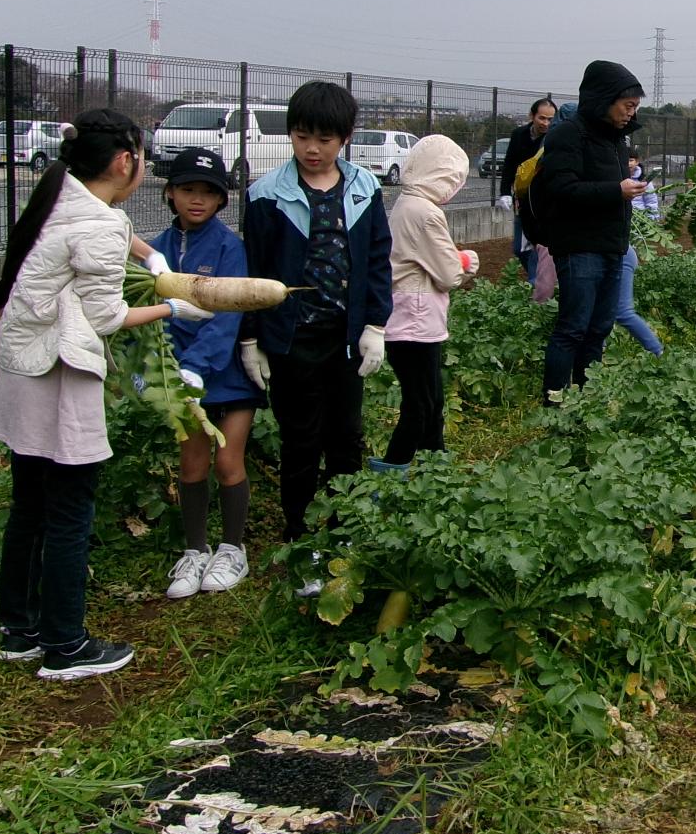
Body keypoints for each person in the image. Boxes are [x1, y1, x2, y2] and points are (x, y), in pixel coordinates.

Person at [0, 109, 214, 681]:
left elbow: (105, 224)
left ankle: (20, 629)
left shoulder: (60, 191)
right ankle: (66, 646)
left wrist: (146, 255)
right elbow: (106, 316)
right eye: (141, 154)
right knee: (69, 511)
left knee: (30, 505)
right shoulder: (100, 224)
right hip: (60, 373)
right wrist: (173, 306)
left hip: (22, 365)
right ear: (123, 161)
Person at [238, 80, 393, 592]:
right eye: (302, 136)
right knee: (300, 440)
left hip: (345, 339)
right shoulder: (265, 197)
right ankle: (302, 541)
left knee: (345, 438)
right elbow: (252, 274)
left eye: (324, 139)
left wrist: (374, 324)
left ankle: (343, 533)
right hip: (292, 339)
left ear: (344, 139)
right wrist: (251, 338)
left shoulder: (364, 190)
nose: (312, 149)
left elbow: (375, 262)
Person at [149, 148, 260, 599]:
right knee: (192, 465)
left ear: (221, 201)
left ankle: (233, 549)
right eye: (187, 190)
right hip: (178, 376)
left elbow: (227, 315)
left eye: (208, 193)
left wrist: (197, 366)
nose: (197, 200)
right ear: (170, 193)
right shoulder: (155, 250)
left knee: (228, 462)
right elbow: (150, 312)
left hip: (227, 374)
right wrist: (165, 369)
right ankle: (195, 550)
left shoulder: (230, 247)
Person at [529, 61, 649, 400]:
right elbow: (561, 189)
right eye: (628, 106)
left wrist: (623, 192)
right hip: (579, 247)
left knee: (598, 330)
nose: (631, 113)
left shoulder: (616, 140)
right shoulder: (567, 135)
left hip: (612, 246)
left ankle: (585, 401)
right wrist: (617, 191)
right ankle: (554, 403)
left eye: (635, 107)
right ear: (605, 99)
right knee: (572, 328)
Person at [376, 135, 480, 470]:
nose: (454, 189)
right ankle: (393, 472)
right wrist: (468, 259)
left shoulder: (408, 202)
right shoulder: (425, 213)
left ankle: (435, 464)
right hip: (415, 322)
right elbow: (449, 273)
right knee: (419, 403)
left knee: (431, 397)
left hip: (413, 318)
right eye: (452, 180)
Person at [497, 97, 557, 280]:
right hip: (522, 198)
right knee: (519, 248)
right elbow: (509, 165)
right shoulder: (519, 135)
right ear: (532, 116)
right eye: (542, 118)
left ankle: (535, 285)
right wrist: (505, 192)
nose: (545, 123)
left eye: (550, 119)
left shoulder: (554, 139)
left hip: (543, 201)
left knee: (535, 244)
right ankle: (540, 277)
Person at [612, 154, 664, 356]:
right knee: (603, 311)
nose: (629, 163)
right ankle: (596, 357)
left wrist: (652, 219)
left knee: (622, 312)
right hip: (616, 247)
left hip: (622, 250)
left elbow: (651, 201)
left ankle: (657, 352)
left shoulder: (638, 183)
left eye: (632, 159)